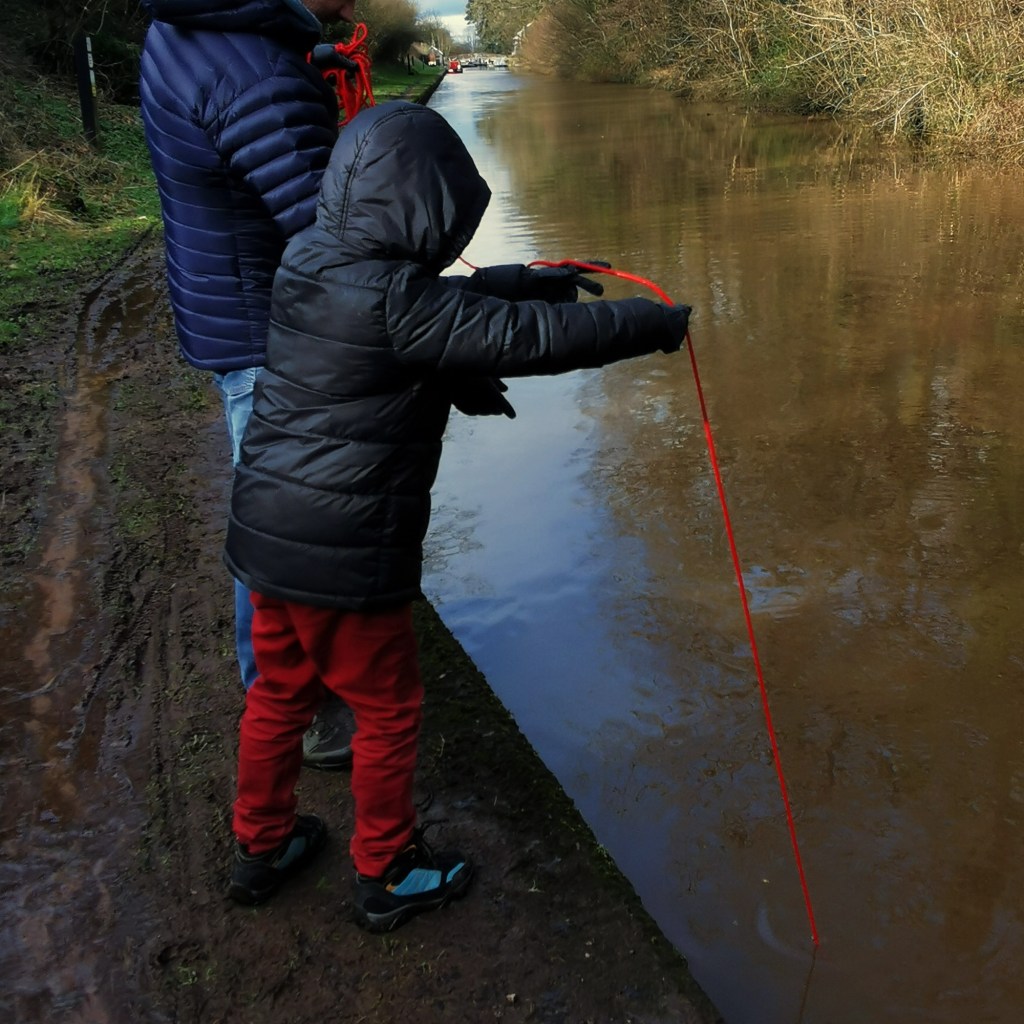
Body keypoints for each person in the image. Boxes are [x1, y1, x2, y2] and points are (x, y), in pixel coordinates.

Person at [221, 100, 692, 930]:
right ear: (425, 204)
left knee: (280, 697)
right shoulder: (401, 307)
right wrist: (648, 325)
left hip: (266, 543)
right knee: (389, 708)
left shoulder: (307, 260)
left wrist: (522, 280)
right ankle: (388, 870)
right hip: (345, 558)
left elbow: (437, 308)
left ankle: (260, 848)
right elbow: (524, 340)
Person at [138, 0, 356, 769]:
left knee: (266, 508)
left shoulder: (189, 20)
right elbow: (337, 244)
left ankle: (286, 694)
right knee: (284, 532)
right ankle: (301, 713)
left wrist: (308, 64)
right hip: (268, 330)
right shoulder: (258, 76)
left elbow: (239, 122)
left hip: (224, 306)